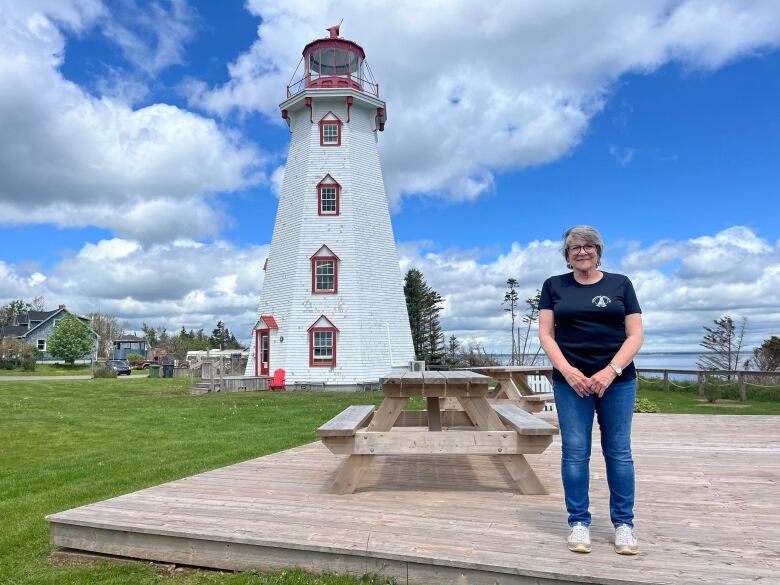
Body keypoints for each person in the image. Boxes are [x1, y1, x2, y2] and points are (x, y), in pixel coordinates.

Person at [538, 225, 644, 555]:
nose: (582, 252)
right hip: (572, 385)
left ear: (599, 250)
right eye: (574, 248)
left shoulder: (620, 284)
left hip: (617, 381)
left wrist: (610, 372)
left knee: (618, 452)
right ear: (566, 255)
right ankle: (579, 523)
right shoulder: (554, 286)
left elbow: (635, 334)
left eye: (589, 246)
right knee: (575, 451)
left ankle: (624, 525)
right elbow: (546, 334)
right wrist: (568, 372)